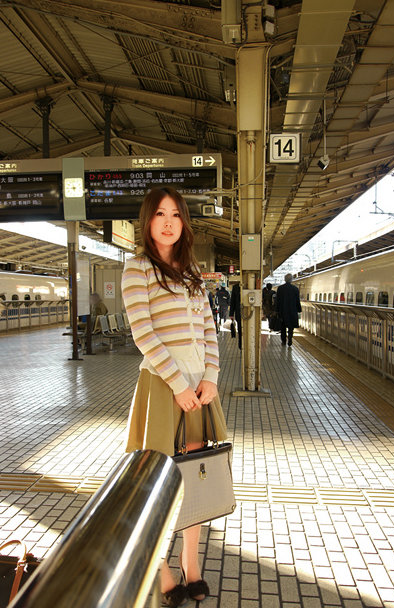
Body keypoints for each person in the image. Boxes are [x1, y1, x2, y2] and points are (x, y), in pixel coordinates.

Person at [121, 186, 227, 607]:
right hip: (163, 387)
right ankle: (161, 566)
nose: (168, 222)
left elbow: (209, 330)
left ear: (184, 222)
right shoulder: (137, 268)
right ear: (148, 221)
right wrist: (178, 384)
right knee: (158, 480)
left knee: (195, 477)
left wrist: (211, 377)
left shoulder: (192, 272)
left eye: (176, 215)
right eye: (160, 214)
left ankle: (190, 562)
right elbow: (143, 333)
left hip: (199, 388)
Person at [276, 273, 302, 346]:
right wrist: (299, 309)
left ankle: (283, 340)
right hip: (292, 311)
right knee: (291, 326)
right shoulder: (295, 289)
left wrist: (277, 310)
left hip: (283, 311)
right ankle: (290, 338)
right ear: (291, 280)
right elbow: (297, 301)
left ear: (285, 279)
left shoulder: (280, 288)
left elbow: (278, 301)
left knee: (283, 326)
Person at [229, 282, 242, 350]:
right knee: (240, 330)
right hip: (239, 313)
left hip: (249, 314)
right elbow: (233, 301)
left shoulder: (252, 285)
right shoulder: (236, 287)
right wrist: (231, 314)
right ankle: (241, 346)